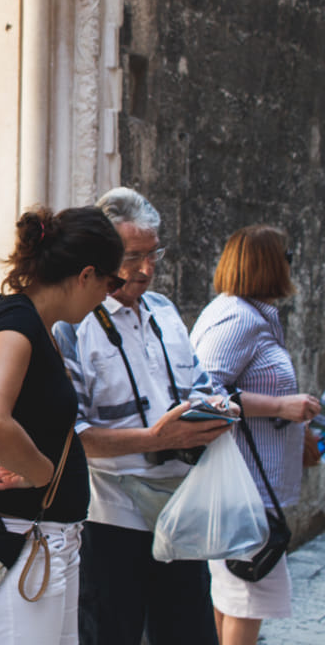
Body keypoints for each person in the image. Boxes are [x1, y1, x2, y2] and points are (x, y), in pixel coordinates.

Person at [53, 187, 230, 645]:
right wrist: (156, 439)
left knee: (190, 633)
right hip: (112, 520)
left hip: (182, 508)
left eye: (155, 255)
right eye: (133, 257)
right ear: (103, 254)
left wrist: (217, 409)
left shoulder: (166, 311)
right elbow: (70, 435)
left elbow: (202, 384)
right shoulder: (74, 324)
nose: (147, 269)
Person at [0, 205, 123, 643]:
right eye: (112, 282)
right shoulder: (18, 324)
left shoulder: (34, 323)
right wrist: (39, 471)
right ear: (87, 274)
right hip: (20, 541)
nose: (109, 295)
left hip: (46, 539)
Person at [190, 225, 321, 645]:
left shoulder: (250, 315)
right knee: (248, 598)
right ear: (269, 265)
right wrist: (282, 407)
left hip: (252, 488)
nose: (290, 265)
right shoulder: (237, 318)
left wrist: (294, 427)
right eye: (287, 257)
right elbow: (203, 394)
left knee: (234, 598)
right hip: (245, 492)